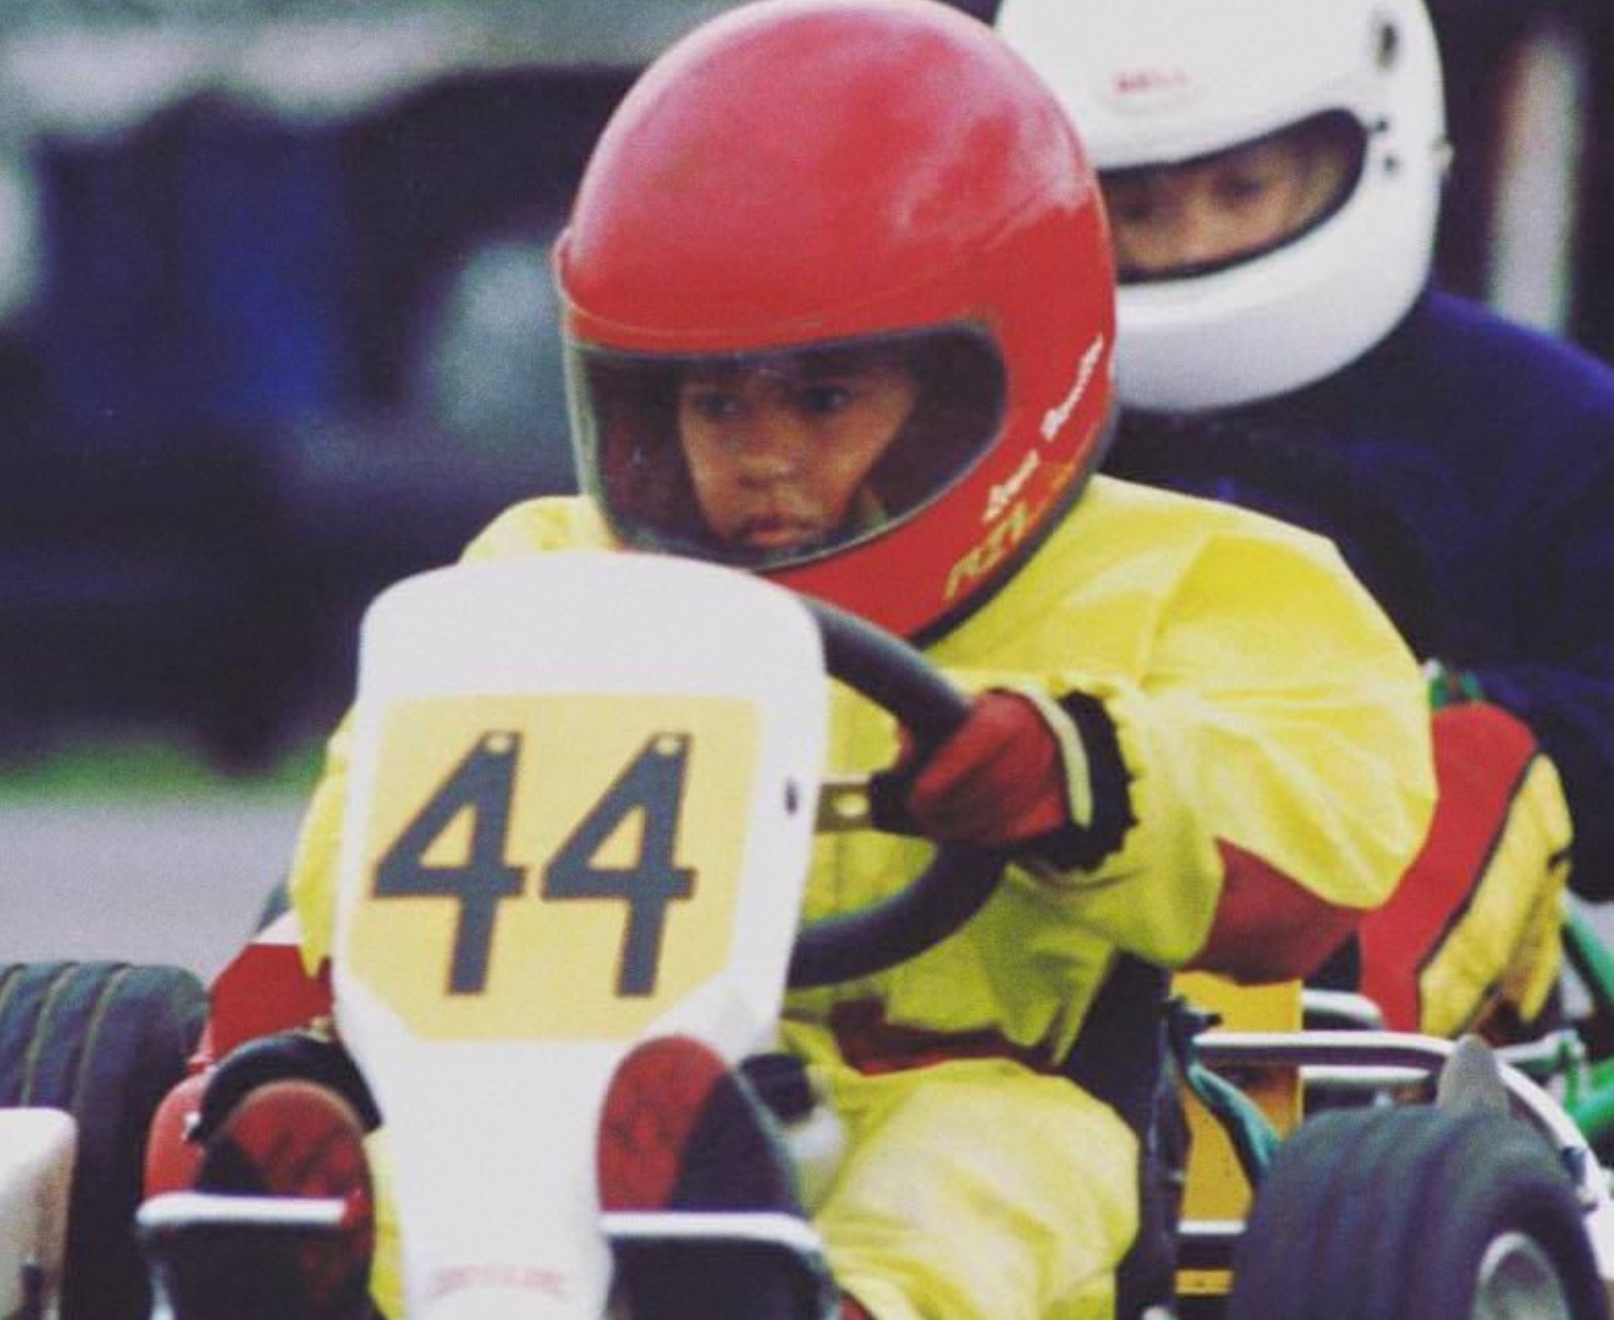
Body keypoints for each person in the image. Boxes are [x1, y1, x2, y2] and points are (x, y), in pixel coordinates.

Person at [257, 2, 1434, 1317]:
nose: (760, 456)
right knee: (449, 1162)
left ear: (972, 383)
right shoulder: (549, 574)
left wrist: (1075, 768)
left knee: (983, 1182)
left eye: (821, 401)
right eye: (715, 402)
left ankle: (832, 1303)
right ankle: (301, 1250)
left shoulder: (1193, 579)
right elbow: (377, 829)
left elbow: (1326, 821)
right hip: (610, 1089)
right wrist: (326, 945)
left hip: (994, 1079)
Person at [998, 0, 1613, 1039]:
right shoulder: (998, 421)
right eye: (1138, 206)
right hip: (1057, 916)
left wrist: (1382, 717)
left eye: (1241, 189)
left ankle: (1298, 1089)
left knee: (1478, 752)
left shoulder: (1553, 424)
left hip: (1420, 979)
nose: (1193, 239)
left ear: (1366, 143)